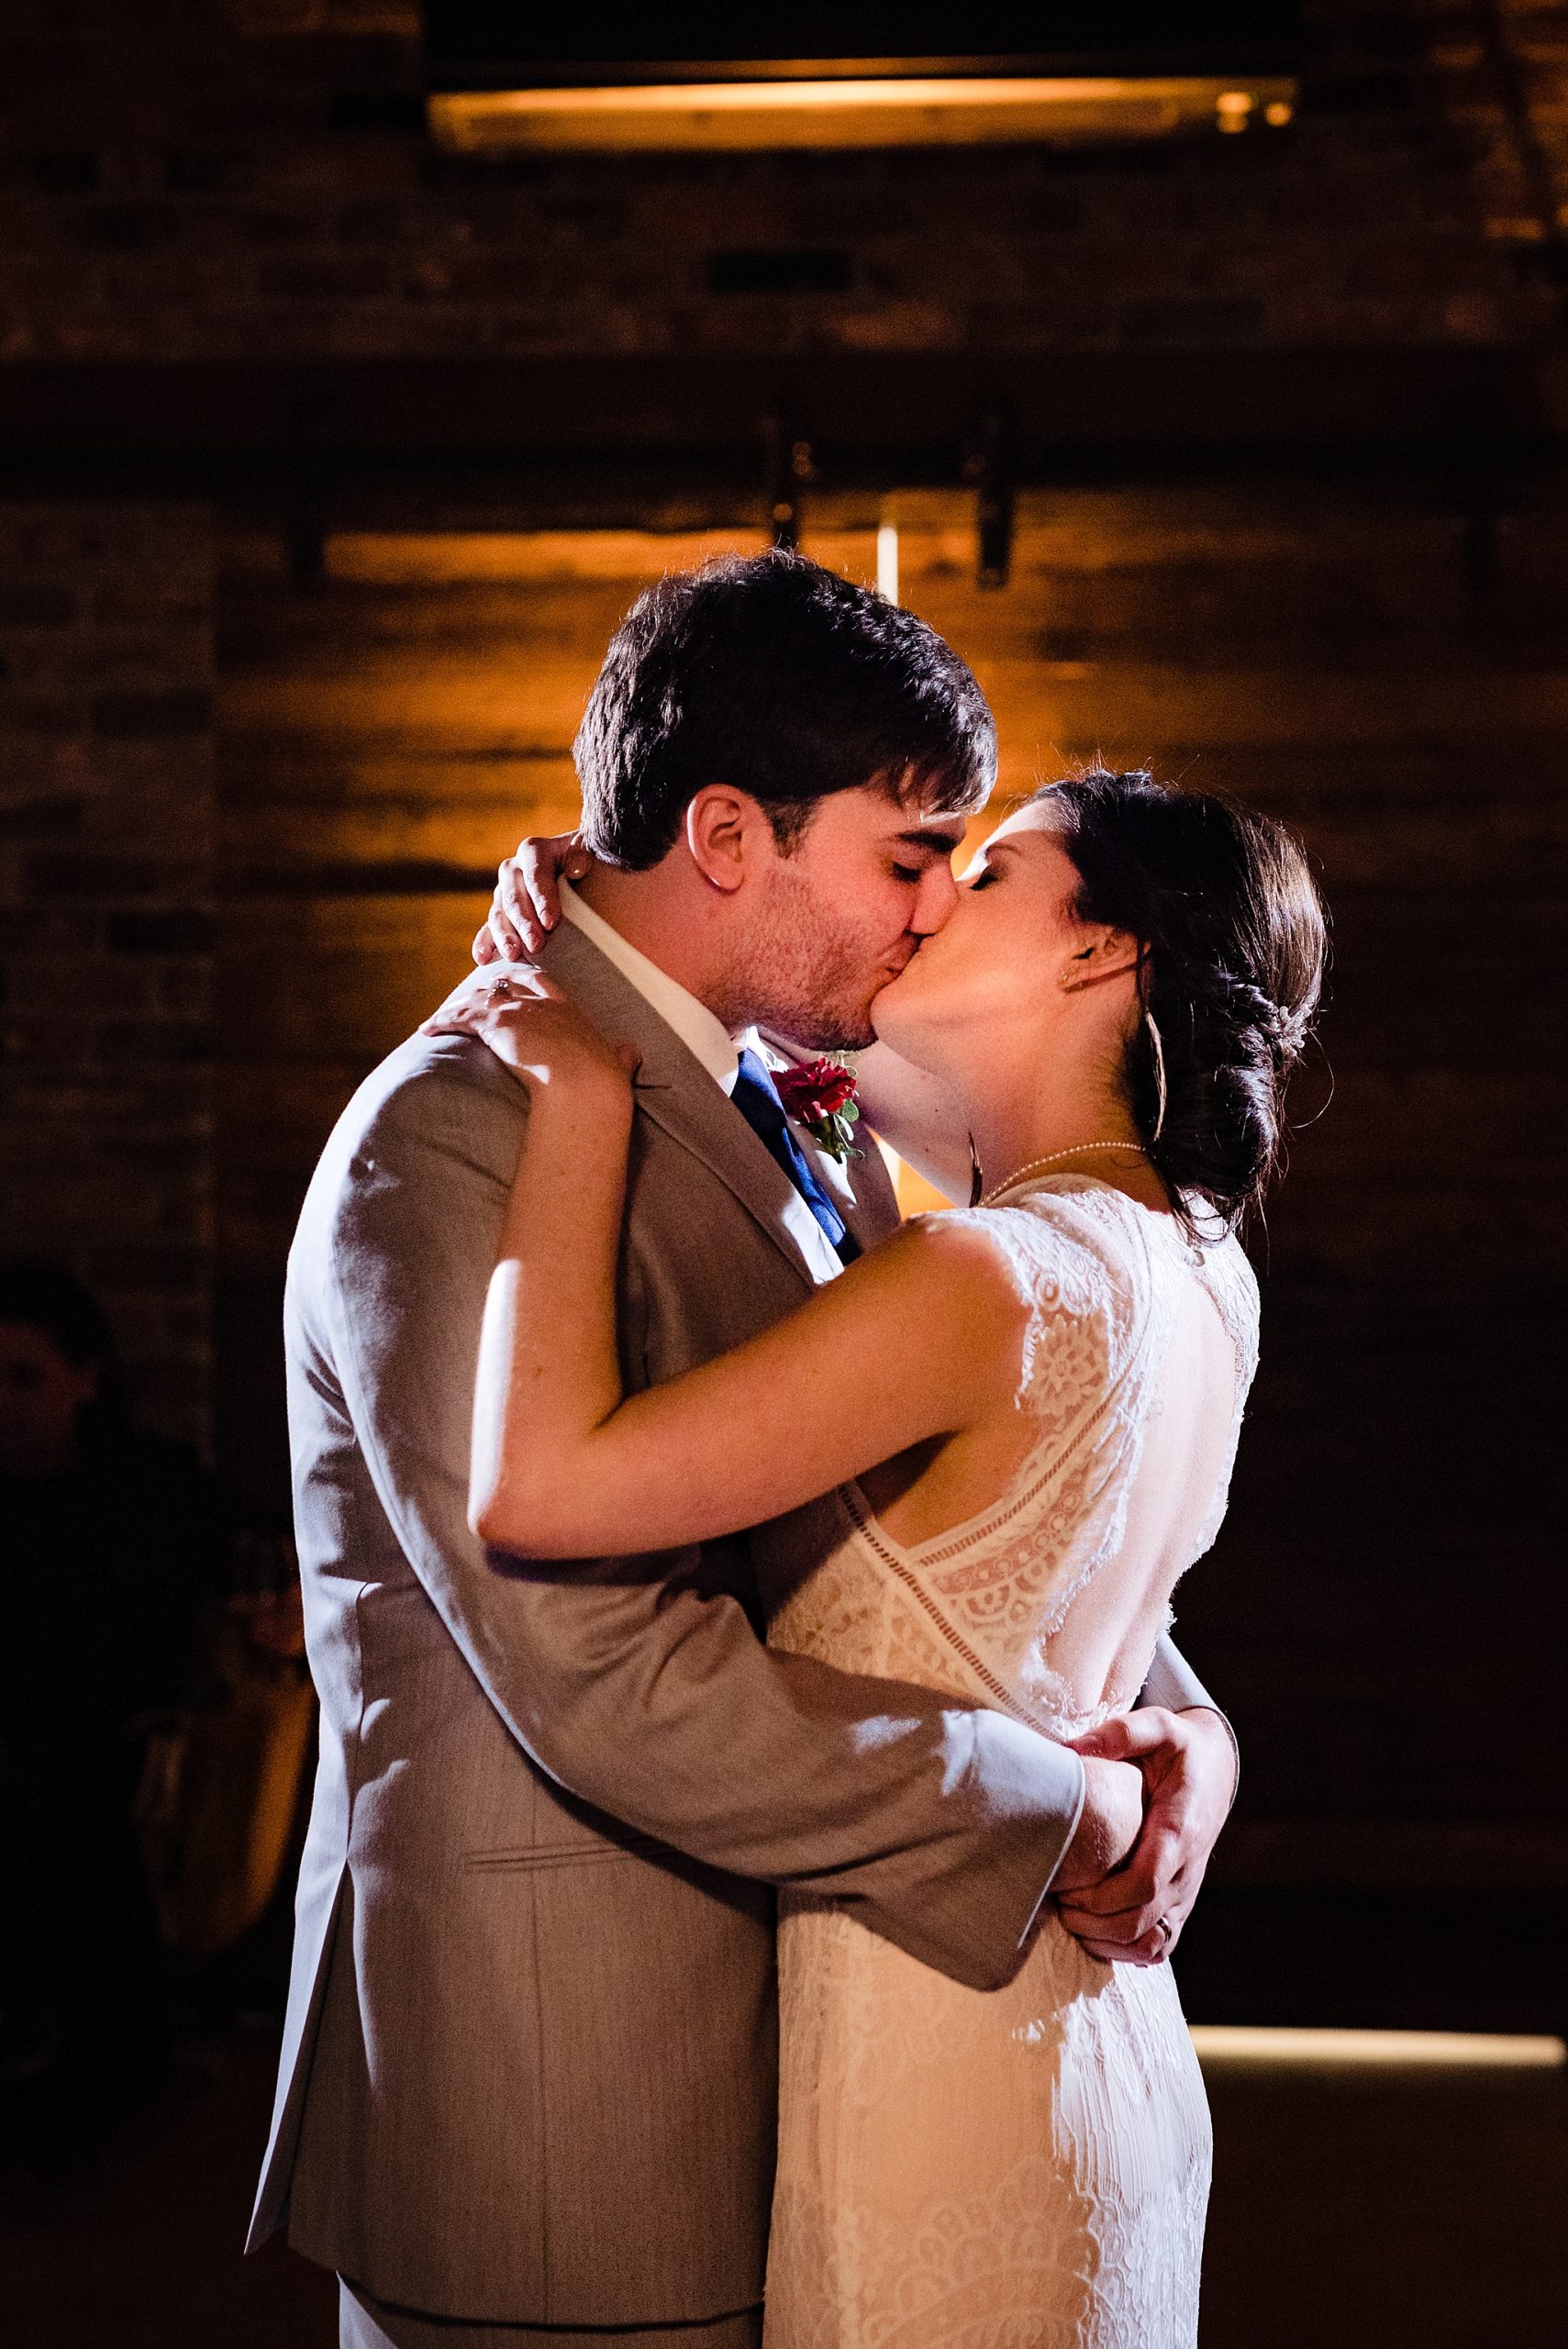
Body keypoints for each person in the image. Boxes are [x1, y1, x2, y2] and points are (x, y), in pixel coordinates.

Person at [249, 552, 1241, 2349]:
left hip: (792, 2060)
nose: (934, 908)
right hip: (566, 2109)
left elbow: (929, 1521)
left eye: (960, 860)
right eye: (904, 854)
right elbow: (598, 1671)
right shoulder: (452, 1137)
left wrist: (1178, 1733)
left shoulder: (813, 1131)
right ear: (725, 834)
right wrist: (1056, 1802)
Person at [440, 763, 1325, 2346]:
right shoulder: (1194, 1265)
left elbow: (540, 1491)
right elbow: (1072, 1600)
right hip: (1103, 2062)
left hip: (936, 2066)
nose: (926, 903)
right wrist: (1206, 1737)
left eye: (982, 876)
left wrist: (573, 1096)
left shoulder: (981, 1281)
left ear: (1096, 956)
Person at [0, 1260, 231, 2150]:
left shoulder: (149, 1487)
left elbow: (253, 1558)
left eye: (27, 1377)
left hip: (121, 1749)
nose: (5, 1402)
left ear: (85, 1379)